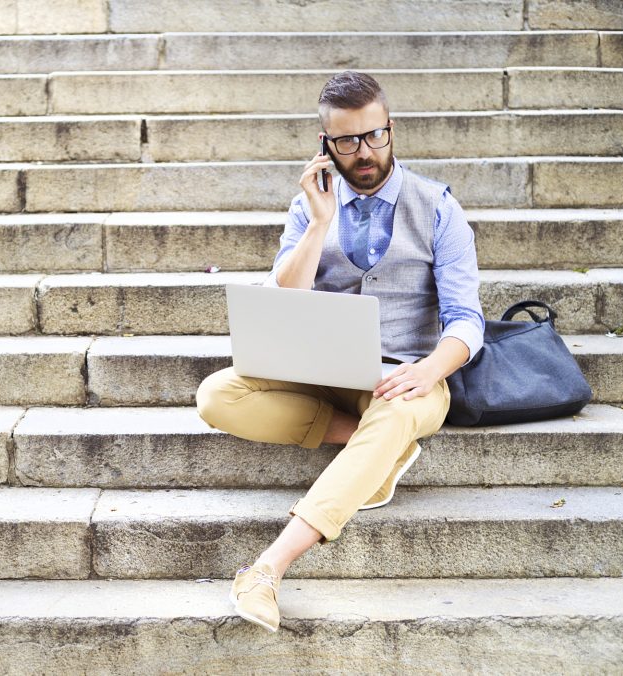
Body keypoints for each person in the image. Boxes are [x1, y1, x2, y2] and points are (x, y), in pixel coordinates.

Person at [195, 70, 485, 632]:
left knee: (397, 413)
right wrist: (319, 225)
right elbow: (286, 296)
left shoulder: (439, 208)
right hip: (324, 370)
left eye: (374, 135)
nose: (365, 151)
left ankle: (266, 570)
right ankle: (370, 446)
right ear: (326, 145)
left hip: (409, 379)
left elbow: (466, 321)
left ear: (390, 128)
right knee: (217, 395)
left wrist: (429, 370)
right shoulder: (309, 206)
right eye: (348, 141)